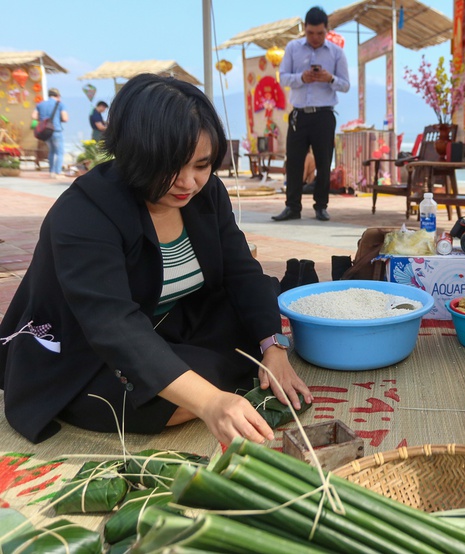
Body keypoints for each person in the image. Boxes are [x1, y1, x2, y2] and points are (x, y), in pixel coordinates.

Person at [0, 74, 312, 445]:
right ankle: (194, 389)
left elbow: (241, 272)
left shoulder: (207, 193)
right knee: (179, 393)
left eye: (201, 164)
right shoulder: (84, 213)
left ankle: (200, 378)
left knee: (251, 328)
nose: (188, 183)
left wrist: (273, 348)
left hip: (166, 324)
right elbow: (113, 324)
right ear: (134, 154)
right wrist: (211, 402)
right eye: (171, 167)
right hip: (85, 351)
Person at [272, 5, 350, 222]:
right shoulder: (293, 48)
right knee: (294, 161)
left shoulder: (336, 52)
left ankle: (321, 207)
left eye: (320, 33)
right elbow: (283, 77)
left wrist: (329, 79)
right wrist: (302, 78)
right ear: (304, 29)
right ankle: (292, 207)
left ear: (327, 30)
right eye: (310, 33)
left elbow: (345, 85)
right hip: (298, 114)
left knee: (324, 162)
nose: (315, 38)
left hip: (324, 115)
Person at [32, 88, 69, 178]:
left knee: (51, 151)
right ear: (58, 96)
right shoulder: (60, 104)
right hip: (56, 130)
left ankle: (51, 172)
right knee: (59, 152)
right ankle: (58, 172)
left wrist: (43, 119)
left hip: (46, 132)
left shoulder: (40, 104)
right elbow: (65, 118)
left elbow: (33, 116)